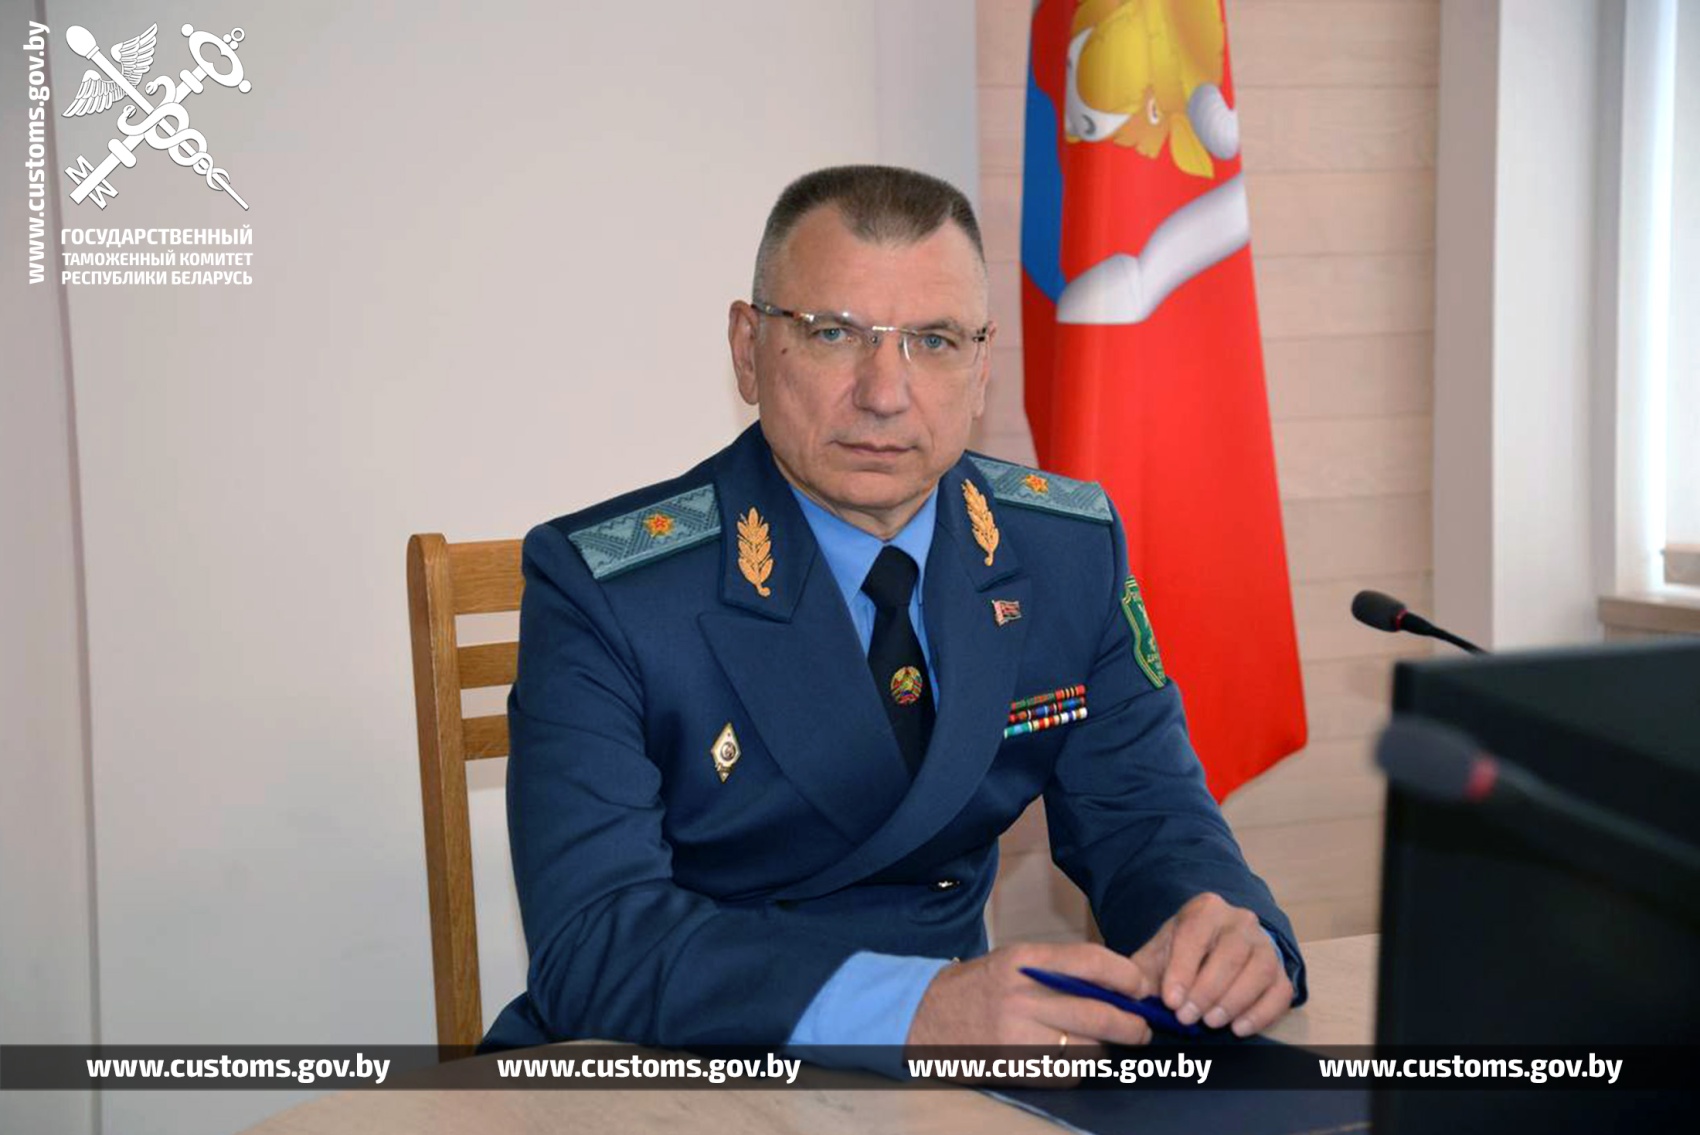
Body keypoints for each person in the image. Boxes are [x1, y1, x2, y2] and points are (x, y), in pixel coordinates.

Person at [482, 165, 1303, 1074]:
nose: (884, 392)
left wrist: (1224, 933)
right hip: (681, 1064)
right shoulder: (610, 588)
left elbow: (1149, 820)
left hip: (953, 1083)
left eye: (934, 340)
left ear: (981, 368)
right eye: (833, 333)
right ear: (749, 349)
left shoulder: (1064, 549)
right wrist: (915, 1010)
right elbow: (594, 941)